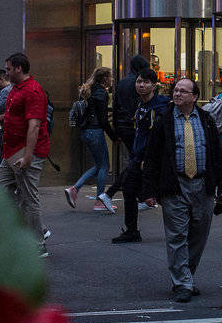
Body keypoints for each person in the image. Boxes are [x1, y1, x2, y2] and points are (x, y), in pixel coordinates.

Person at [141, 78, 222, 303]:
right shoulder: (164, 120)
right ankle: (182, 282)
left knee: (199, 234)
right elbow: (151, 157)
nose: (178, 94)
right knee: (177, 235)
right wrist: (149, 190)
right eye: (176, 90)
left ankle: (186, 275)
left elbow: (217, 156)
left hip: (203, 185)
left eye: (183, 91)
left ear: (194, 96)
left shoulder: (206, 120)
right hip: (175, 185)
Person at [0, 52, 50, 258]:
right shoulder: (15, 89)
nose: (6, 72)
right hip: (10, 151)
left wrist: (28, 156)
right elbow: (15, 117)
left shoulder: (33, 91)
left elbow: (34, 125)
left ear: (19, 69)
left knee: (28, 198)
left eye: (9, 69)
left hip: (25, 151)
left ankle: (38, 243)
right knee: (3, 194)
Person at [112, 69, 171, 243]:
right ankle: (131, 230)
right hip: (137, 157)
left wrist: (149, 158)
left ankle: (181, 229)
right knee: (129, 190)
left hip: (150, 159)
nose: (141, 85)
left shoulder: (160, 106)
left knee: (163, 195)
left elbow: (157, 136)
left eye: (145, 82)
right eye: (139, 81)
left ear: (154, 85)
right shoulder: (141, 104)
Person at [65, 67, 118, 213]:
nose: (112, 80)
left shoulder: (89, 90)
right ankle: (100, 200)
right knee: (104, 166)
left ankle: (74, 189)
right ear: (105, 78)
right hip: (95, 132)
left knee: (99, 165)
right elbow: (103, 119)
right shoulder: (101, 93)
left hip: (86, 131)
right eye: (110, 77)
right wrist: (114, 137)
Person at [103, 55, 148, 204]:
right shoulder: (137, 84)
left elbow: (115, 107)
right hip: (133, 126)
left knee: (136, 159)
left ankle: (140, 197)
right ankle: (111, 193)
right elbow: (137, 106)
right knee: (136, 160)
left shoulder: (121, 83)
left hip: (122, 126)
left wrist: (116, 129)